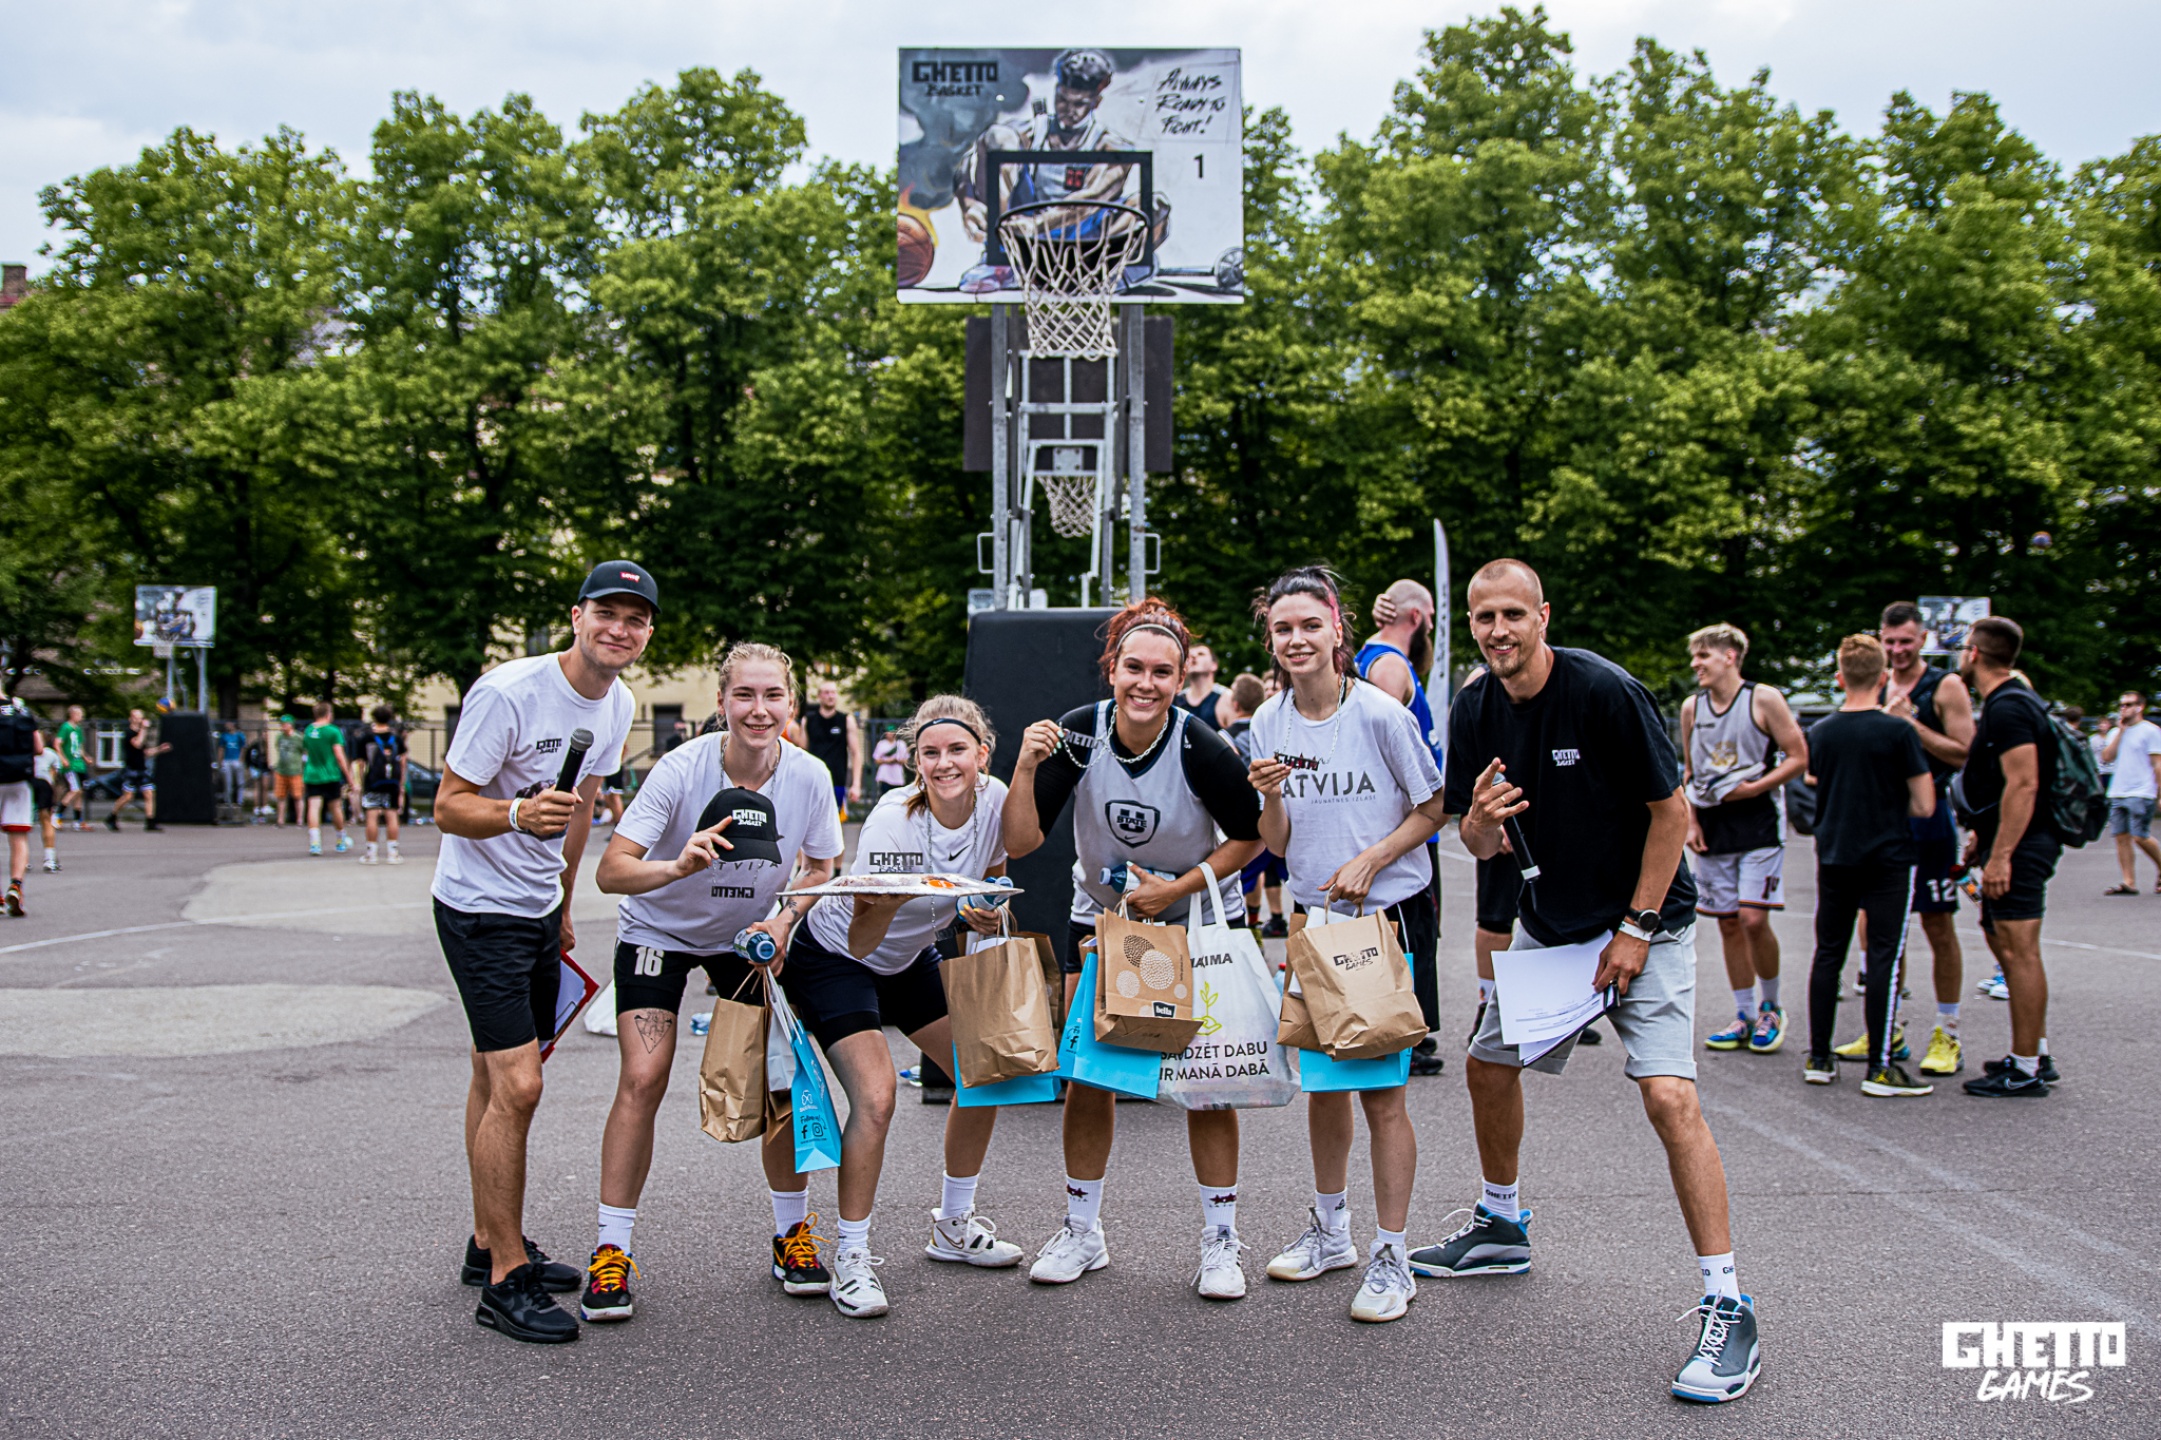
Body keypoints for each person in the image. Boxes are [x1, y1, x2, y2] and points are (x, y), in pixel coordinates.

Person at [1412, 559, 1759, 1405]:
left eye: (1511, 614)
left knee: (1667, 1097)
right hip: (1553, 928)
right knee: (1486, 1066)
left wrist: (1636, 929)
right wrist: (1479, 825)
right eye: (1483, 617)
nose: (1497, 630)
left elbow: (1671, 814)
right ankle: (1501, 1224)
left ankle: (1729, 1304)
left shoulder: (1602, 691)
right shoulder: (1474, 707)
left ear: (1542, 616)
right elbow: (1478, 843)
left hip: (1647, 921)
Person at [1002, 600, 1264, 1300]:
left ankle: (1221, 1239)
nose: (1146, 683)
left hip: (1192, 919)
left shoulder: (1199, 744)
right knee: (1090, 1079)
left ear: (1179, 679)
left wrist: (1173, 888)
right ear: (1111, 669)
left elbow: (1250, 837)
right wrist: (1024, 767)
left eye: (1162, 672)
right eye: (1134, 668)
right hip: (1106, 921)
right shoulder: (1079, 734)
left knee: (1207, 1085)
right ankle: (1081, 1229)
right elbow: (1021, 842)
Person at [431, 558, 655, 1344]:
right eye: (606, 613)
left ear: (647, 633)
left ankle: (487, 1239)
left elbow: (584, 804)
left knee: (489, 1074)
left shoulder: (619, 703)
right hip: (477, 909)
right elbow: (448, 806)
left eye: (634, 618)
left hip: (532, 908)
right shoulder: (508, 692)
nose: (618, 629)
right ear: (576, 616)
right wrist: (515, 815)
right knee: (519, 1086)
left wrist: (561, 904)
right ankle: (505, 1280)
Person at [588, 642, 843, 1322]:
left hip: (745, 939)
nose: (759, 710)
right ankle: (611, 1251)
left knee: (779, 1079)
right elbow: (611, 872)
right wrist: (678, 865)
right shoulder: (681, 769)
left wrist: (783, 921)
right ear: (723, 702)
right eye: (744, 696)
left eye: (772, 696)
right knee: (644, 1077)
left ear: (791, 703)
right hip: (659, 932)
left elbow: (822, 867)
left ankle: (791, 1234)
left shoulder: (809, 775)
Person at [784, 694, 1022, 1318]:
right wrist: (885, 904)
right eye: (930, 753)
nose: (944, 764)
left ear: (982, 754)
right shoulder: (892, 820)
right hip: (837, 957)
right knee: (878, 1095)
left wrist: (979, 909)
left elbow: (992, 874)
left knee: (983, 1073)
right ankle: (852, 1256)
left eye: (957, 750)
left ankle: (953, 1225)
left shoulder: (995, 800)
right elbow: (863, 940)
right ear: (916, 761)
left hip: (911, 957)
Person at [1247, 568, 1444, 1323]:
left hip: (1383, 920)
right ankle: (1332, 1232)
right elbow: (1274, 842)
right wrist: (1269, 793)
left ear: (1337, 629)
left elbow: (1433, 806)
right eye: (1282, 629)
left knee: (1382, 1095)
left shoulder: (1380, 713)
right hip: (1313, 919)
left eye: (1309, 625)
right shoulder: (1267, 721)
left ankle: (1393, 1255)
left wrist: (1372, 858)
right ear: (1270, 639)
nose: (1296, 639)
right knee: (1323, 1088)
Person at [1799, 636, 1937, 1095]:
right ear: (1884, 677)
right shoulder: (1898, 732)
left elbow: (1814, 779)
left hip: (1835, 852)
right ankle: (1880, 1065)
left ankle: (1819, 1057)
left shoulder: (1821, 732)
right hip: (1888, 855)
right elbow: (1925, 804)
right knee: (1883, 956)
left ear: (1840, 678)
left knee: (1828, 952)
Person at [1681, 624, 1808, 1057]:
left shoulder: (1763, 698)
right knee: (1729, 922)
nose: (1696, 664)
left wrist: (1756, 787)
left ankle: (1771, 1006)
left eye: (1704, 656)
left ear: (1730, 656)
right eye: (1695, 656)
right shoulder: (1692, 707)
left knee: (1754, 919)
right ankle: (1743, 1014)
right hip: (1713, 823)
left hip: (1757, 821)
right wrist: (1691, 821)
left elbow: (1798, 756)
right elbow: (1691, 772)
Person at [1953, 617, 2061, 1099]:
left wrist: (2002, 856)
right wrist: (1984, 834)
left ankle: (2027, 1068)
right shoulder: (2009, 700)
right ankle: (2034, 1051)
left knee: (2020, 950)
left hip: (2023, 845)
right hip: (2009, 839)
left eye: (1964, 647)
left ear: (1975, 653)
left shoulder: (2010, 706)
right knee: (1999, 935)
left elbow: (2024, 783)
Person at [1876, 601, 1978, 1074]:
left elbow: (1964, 753)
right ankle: (1887, 1028)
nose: (1897, 650)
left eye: (1906, 641)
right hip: (1884, 817)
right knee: (1882, 928)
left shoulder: (1945, 685)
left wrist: (1910, 725)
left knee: (1937, 923)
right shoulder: (1876, 682)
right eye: (1890, 641)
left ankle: (1947, 1031)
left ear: (1922, 640)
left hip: (1930, 814)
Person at [1359, 580, 1449, 1075]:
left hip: (1408, 824)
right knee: (1411, 933)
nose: (1433, 624)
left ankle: (1403, 1032)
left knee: (1413, 931)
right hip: (1407, 825)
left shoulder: (1381, 658)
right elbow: (1377, 744)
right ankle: (1404, 1035)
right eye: (1429, 615)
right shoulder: (1389, 666)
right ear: (1416, 617)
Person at [1221, 673, 1288, 935]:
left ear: (1235, 704)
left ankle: (1247, 933)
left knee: (1241, 880)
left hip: (1248, 819)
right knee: (1295, 882)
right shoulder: (1276, 731)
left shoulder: (1225, 738)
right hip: (1281, 813)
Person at [2101, 691, 2161, 895]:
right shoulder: (2115, 732)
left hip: (2142, 790)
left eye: (2128, 704)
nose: (2123, 709)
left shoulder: (2150, 731)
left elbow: (2158, 764)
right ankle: (2129, 881)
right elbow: (2107, 757)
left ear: (2140, 707)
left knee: (2140, 836)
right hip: (2118, 790)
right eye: (2121, 705)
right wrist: (2120, 732)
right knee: (2121, 837)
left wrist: (2160, 793)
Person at [350, 706, 408, 865]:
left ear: (374, 718)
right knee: (392, 815)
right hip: (392, 781)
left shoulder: (366, 738)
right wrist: (401, 782)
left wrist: (362, 781)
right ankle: (393, 853)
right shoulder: (396, 738)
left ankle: (372, 853)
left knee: (372, 815)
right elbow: (403, 761)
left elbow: (361, 762)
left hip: (373, 780)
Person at [802, 679, 862, 823]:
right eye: (827, 692)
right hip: (813, 781)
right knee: (811, 824)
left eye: (833, 693)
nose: (831, 696)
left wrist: (856, 784)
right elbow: (802, 753)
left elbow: (856, 753)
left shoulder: (846, 720)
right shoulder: (808, 720)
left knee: (833, 823)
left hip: (837, 780)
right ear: (819, 696)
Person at [0, 698, 39, 915]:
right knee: (18, 837)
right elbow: (38, 748)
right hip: (19, 780)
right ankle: (16, 886)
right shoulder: (21, 711)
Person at [301, 704, 352, 855]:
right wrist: (349, 777)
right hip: (330, 774)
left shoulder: (309, 730)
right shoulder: (333, 731)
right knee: (335, 807)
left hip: (312, 774)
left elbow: (306, 751)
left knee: (313, 807)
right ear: (328, 714)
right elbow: (339, 755)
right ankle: (340, 840)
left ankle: (315, 843)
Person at [106, 709, 169, 833]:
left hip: (142, 770)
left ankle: (150, 822)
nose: (139, 720)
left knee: (149, 794)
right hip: (131, 770)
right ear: (131, 719)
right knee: (128, 797)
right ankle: (112, 817)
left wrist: (159, 749)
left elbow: (145, 752)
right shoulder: (129, 733)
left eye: (140, 717)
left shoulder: (140, 733)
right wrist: (144, 729)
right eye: (136, 717)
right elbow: (137, 744)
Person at [1173, 643, 1228, 732]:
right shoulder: (1176, 699)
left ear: (1214, 665)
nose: (1194, 656)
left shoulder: (1226, 697)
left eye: (1201, 654)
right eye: (1189, 656)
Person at [33, 729, 63, 873]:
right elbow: (54, 774)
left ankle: (24, 860)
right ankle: (49, 859)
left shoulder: (23, 752)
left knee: (23, 824)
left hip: (27, 784)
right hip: (44, 785)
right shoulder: (51, 754)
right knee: (46, 820)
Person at [56, 705, 89, 829]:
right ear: (72, 715)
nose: (81, 717)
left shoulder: (78, 729)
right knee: (74, 790)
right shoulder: (65, 727)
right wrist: (63, 758)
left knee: (79, 792)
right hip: (70, 765)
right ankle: (57, 816)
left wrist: (85, 757)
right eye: (79, 715)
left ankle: (77, 820)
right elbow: (57, 743)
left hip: (79, 764)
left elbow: (79, 746)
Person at [271, 716, 306, 827]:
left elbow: (305, 752)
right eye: (281, 724)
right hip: (281, 770)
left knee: (298, 796)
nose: (282, 726)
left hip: (296, 771)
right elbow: (277, 749)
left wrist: (303, 766)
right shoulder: (280, 737)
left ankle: (299, 820)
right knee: (281, 796)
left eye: (285, 724)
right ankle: (280, 820)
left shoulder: (298, 738)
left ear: (290, 725)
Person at [215, 721, 247, 808]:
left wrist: (241, 759)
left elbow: (243, 748)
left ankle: (240, 800)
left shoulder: (240, 735)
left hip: (236, 760)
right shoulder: (224, 736)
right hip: (227, 760)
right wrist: (220, 761)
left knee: (240, 782)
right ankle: (228, 800)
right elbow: (221, 748)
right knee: (228, 782)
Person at [871, 727, 907, 800]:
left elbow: (905, 760)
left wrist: (897, 760)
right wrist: (887, 761)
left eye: (891, 732)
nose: (889, 734)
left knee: (897, 799)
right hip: (885, 777)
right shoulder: (881, 744)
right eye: (888, 732)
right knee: (885, 798)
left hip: (897, 776)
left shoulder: (901, 744)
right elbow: (876, 760)